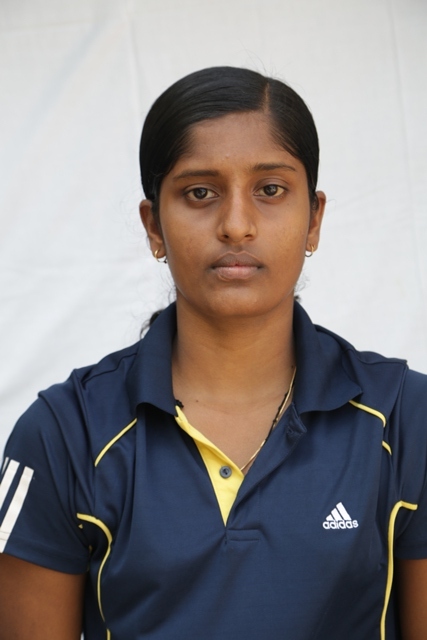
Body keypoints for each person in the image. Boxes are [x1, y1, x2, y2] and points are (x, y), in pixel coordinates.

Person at [0, 66, 426, 640]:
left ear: (314, 219)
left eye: (270, 190)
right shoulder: (62, 432)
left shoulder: (406, 417)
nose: (236, 226)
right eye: (200, 193)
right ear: (154, 226)